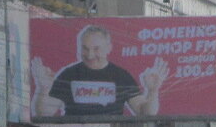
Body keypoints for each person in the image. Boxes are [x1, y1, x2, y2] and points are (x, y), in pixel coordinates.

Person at [31, 24, 168, 118]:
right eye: (85, 48)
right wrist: (43, 89)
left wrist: (153, 91)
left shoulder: (121, 76)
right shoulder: (68, 74)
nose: (90, 55)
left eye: (96, 49)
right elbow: (44, 112)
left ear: (109, 48)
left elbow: (144, 112)